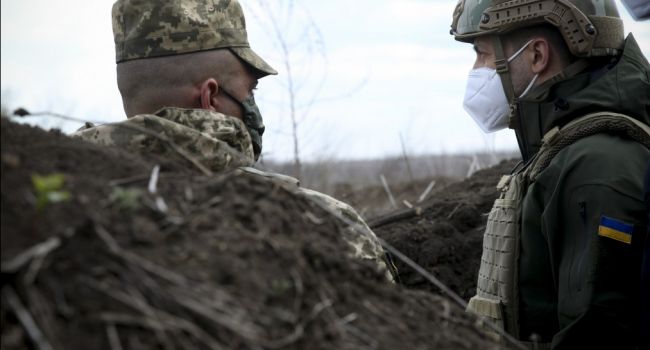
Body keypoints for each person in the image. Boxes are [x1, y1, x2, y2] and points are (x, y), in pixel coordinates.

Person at [74, 0, 396, 282]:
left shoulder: (58, 196)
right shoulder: (322, 223)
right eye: (250, 91)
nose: (252, 107)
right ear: (210, 96)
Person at [450, 0, 650, 348]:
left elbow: (595, 334)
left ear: (537, 56)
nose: (476, 69)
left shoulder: (597, 167)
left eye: (482, 54)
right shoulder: (559, 149)